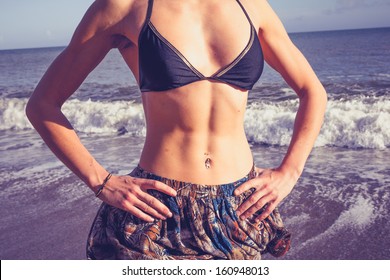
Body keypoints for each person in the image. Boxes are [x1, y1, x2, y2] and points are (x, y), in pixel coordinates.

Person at [26, 0, 327, 260]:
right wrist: (101, 181)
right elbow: (43, 104)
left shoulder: (251, 6)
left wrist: (290, 171)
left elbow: (312, 91)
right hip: (159, 210)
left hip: (239, 208)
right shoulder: (124, 6)